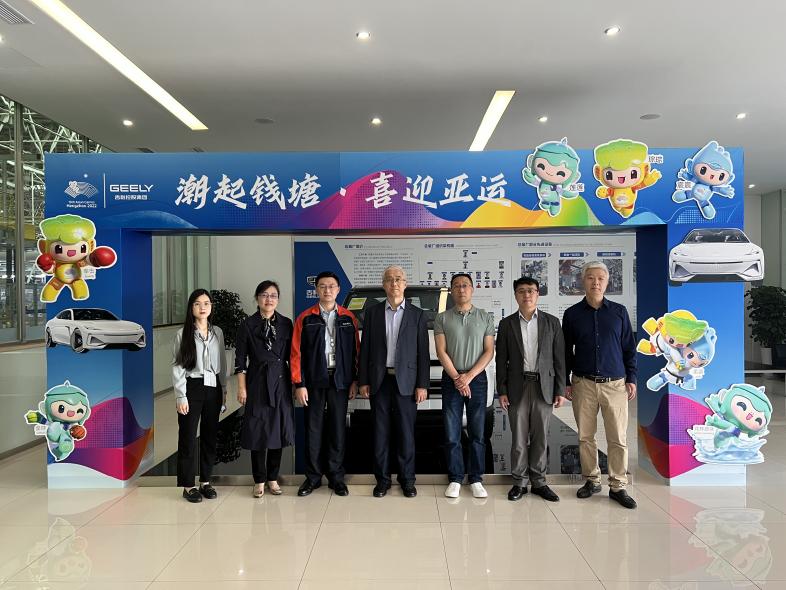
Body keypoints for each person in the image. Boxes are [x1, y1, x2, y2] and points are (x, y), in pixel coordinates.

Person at [562, 260, 638, 509]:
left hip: (615, 385)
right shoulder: (572, 314)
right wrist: (566, 381)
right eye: (590, 278)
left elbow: (629, 348)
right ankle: (592, 480)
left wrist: (632, 378)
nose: (596, 282)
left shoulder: (619, 312)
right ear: (582, 281)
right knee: (586, 436)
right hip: (583, 383)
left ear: (607, 282)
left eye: (600, 278)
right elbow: (566, 351)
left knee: (617, 437)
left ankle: (618, 485)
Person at [358, 265, 429, 498]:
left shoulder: (417, 315)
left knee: (406, 433)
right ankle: (382, 480)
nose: (394, 283)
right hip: (379, 382)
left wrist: (422, 384)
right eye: (389, 279)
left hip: (406, 382)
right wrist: (363, 380)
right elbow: (365, 349)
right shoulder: (373, 313)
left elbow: (422, 353)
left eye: (398, 279)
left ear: (405, 284)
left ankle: (407, 480)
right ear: (384, 285)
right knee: (380, 433)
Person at [496, 276, 566, 502]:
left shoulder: (552, 322)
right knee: (518, 438)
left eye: (531, 290)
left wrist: (560, 389)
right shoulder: (507, 324)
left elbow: (559, 359)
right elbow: (501, 360)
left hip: (544, 386)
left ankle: (539, 482)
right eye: (522, 291)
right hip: (517, 386)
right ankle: (519, 482)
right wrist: (502, 390)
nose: (527, 294)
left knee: (540, 437)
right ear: (515, 295)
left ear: (537, 294)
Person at [291, 271, 359, 497]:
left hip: (340, 380)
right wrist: (299, 384)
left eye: (331, 286)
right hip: (313, 381)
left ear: (338, 290)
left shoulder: (348, 318)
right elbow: (296, 353)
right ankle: (312, 477)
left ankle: (336, 477)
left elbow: (356, 352)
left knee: (338, 429)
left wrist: (354, 380)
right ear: (316, 290)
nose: (327, 290)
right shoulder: (305, 318)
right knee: (313, 429)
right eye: (322, 286)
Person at [434, 273, 495, 498]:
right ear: (451, 290)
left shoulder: (485, 317)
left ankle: (476, 478)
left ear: (472, 289)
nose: (461, 289)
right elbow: (441, 351)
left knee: (478, 432)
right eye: (457, 286)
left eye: (465, 285)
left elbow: (489, 351)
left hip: (476, 379)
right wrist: (457, 378)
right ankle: (456, 478)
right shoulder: (442, 318)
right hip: (451, 379)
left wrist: (468, 377)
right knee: (452, 432)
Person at [235, 280, 294, 497]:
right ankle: (259, 480)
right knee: (258, 431)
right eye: (264, 295)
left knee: (277, 430)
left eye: (273, 295)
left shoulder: (286, 324)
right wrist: (242, 388)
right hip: (257, 381)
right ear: (257, 298)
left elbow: (293, 357)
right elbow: (240, 360)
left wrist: (297, 384)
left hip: (280, 381)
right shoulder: (247, 324)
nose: (269, 299)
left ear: (278, 299)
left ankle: (273, 478)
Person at [172, 289, 227, 503]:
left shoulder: (217, 332)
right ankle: (188, 485)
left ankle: (205, 481)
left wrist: (223, 389)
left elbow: (222, 362)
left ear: (211, 307)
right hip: (191, 386)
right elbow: (178, 366)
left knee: (210, 436)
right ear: (191, 308)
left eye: (206, 303)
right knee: (187, 436)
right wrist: (180, 396)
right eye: (197, 303)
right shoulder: (183, 333)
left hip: (213, 387)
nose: (202, 307)